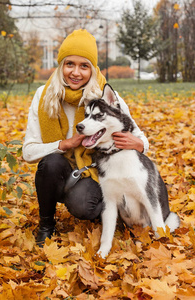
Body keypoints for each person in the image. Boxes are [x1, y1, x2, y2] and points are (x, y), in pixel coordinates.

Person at [22, 29, 149, 245]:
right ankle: (46, 225)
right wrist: (65, 144)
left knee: (83, 206)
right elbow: (28, 151)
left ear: (93, 69)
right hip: (61, 171)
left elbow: (140, 138)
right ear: (61, 64)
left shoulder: (105, 95)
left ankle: (108, 208)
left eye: (84, 66)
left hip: (94, 172)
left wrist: (138, 144)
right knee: (50, 163)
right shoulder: (44, 95)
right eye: (69, 64)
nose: (76, 72)